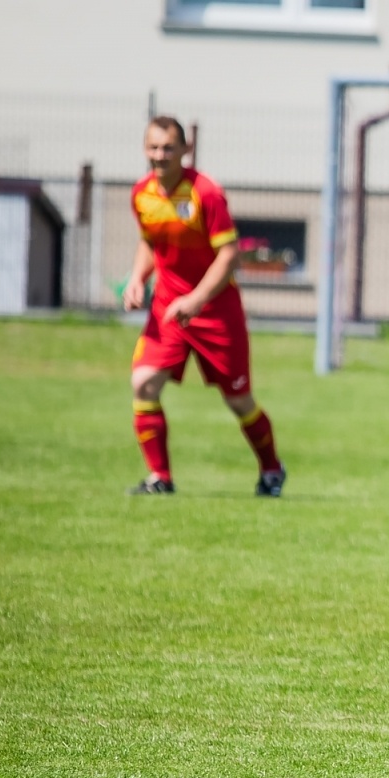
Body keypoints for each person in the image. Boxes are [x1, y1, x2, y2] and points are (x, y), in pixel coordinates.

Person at [124, 116, 285, 497]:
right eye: (153, 147)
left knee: (239, 400)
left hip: (215, 310)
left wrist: (195, 300)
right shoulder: (141, 195)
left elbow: (229, 256)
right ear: (144, 149)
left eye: (167, 148)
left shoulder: (206, 193)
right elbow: (150, 241)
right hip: (169, 308)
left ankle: (272, 469)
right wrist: (136, 278)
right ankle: (159, 478)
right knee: (143, 383)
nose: (159, 156)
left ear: (185, 150)